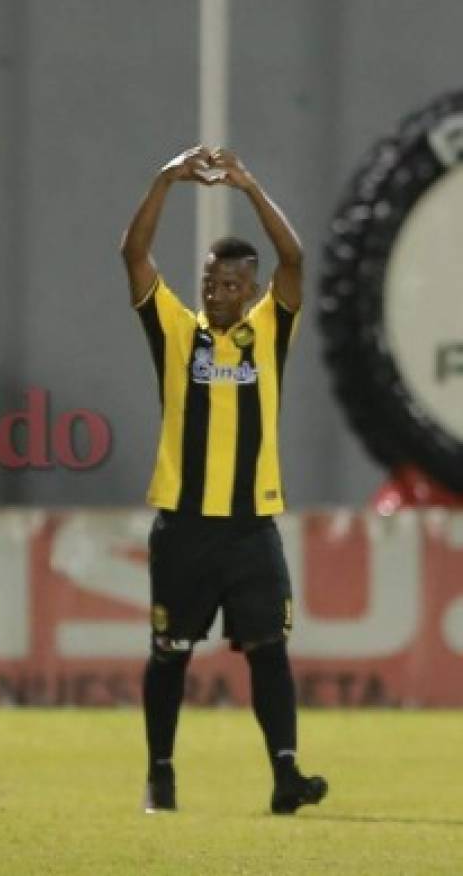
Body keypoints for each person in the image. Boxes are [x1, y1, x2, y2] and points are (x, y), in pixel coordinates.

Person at [119, 146, 328, 815]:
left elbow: (295, 260)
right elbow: (133, 255)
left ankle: (286, 777)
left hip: (249, 528)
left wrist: (249, 187)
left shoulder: (270, 330)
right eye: (210, 283)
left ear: (252, 286)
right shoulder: (178, 333)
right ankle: (160, 776)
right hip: (181, 527)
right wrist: (162, 179)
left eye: (230, 284)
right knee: (169, 656)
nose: (216, 293)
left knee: (269, 652)